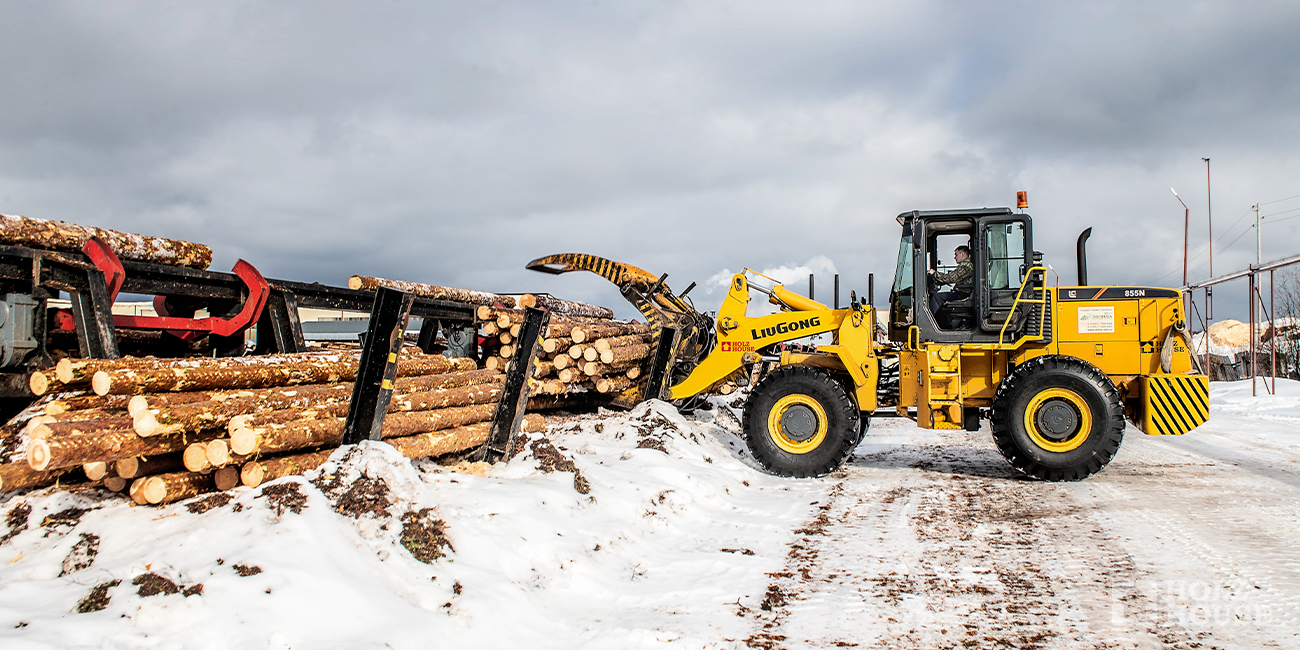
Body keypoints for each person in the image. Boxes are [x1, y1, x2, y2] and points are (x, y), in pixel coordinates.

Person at [928, 245, 973, 318]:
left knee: (937, 297)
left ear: (963, 253)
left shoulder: (966, 266)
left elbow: (950, 278)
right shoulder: (966, 265)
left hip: (963, 295)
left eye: (956, 254)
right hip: (962, 293)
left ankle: (928, 319)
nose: (954, 257)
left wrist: (934, 273)